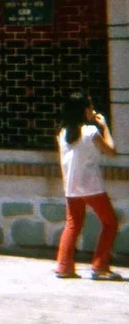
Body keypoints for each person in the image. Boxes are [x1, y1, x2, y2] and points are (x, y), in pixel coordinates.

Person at [54, 91, 122, 281]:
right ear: (85, 110)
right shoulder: (91, 132)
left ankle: (64, 266)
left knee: (73, 225)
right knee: (110, 223)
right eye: (90, 107)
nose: (92, 110)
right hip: (91, 186)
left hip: (71, 187)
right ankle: (100, 266)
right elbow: (111, 151)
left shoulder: (62, 133)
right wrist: (104, 126)